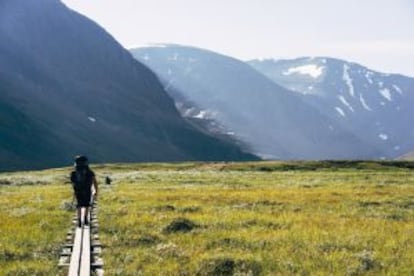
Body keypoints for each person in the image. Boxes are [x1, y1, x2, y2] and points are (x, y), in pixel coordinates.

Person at [70, 155, 98, 227]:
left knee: (79, 205)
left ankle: (79, 220)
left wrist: (75, 189)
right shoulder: (90, 172)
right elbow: (94, 182)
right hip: (87, 190)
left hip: (78, 191)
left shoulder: (73, 173)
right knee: (87, 205)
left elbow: (72, 182)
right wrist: (95, 191)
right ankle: (85, 219)